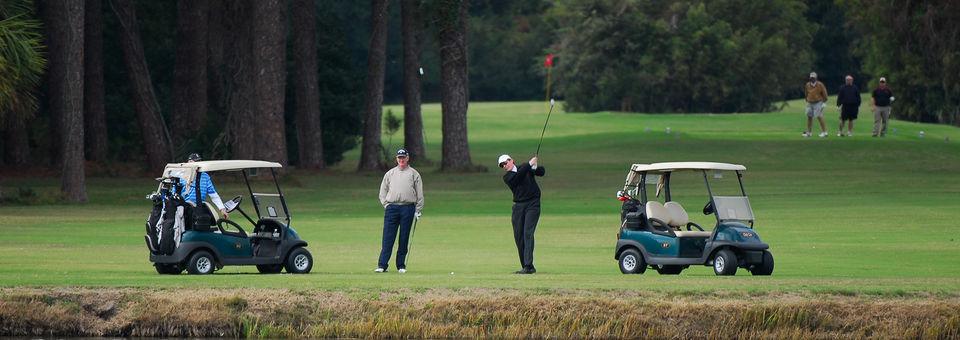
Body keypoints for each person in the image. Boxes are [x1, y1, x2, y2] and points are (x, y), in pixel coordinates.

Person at [375, 149, 424, 273]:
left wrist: (418, 209)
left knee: (404, 237)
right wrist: (386, 205)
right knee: (388, 237)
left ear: (407, 158)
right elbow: (382, 192)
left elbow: (420, 194)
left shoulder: (414, 174)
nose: (401, 160)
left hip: (408, 208)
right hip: (392, 208)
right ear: (396, 159)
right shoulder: (390, 173)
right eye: (399, 158)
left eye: (403, 157)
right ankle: (382, 265)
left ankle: (401, 265)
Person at [499, 154, 545, 274]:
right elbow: (518, 177)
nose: (504, 166)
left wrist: (534, 167)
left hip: (532, 204)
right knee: (519, 236)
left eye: (505, 162)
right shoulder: (507, 177)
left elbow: (542, 172)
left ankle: (528, 265)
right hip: (518, 207)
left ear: (511, 160)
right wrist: (529, 164)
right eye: (502, 165)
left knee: (527, 233)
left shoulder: (525, 168)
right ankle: (526, 266)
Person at [181, 153, 228, 219]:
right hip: (185, 208)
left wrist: (222, 209)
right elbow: (174, 194)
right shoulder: (181, 175)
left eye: (199, 161)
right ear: (189, 162)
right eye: (196, 161)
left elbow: (213, 194)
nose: (199, 163)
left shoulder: (205, 176)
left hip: (200, 207)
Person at [803, 72, 829, 138]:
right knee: (809, 117)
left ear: (816, 78)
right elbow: (806, 93)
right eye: (811, 77)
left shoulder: (820, 84)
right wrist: (807, 100)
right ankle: (809, 133)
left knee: (819, 116)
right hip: (810, 103)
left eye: (813, 78)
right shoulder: (807, 85)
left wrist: (824, 102)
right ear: (810, 78)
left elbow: (825, 94)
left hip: (818, 103)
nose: (812, 79)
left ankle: (824, 132)